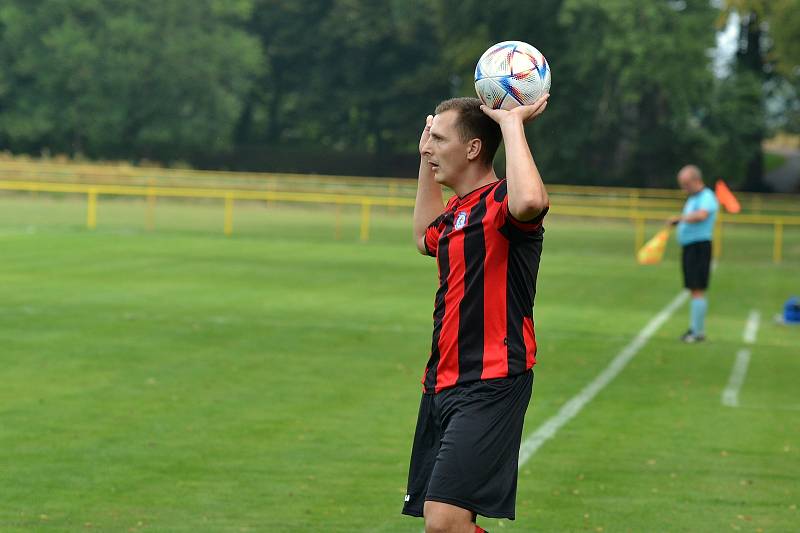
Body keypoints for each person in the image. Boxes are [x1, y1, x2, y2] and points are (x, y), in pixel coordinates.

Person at [401, 94, 550, 533]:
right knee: (442, 521)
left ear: (472, 149)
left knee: (444, 523)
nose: (429, 147)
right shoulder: (456, 214)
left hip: (492, 379)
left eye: (439, 139)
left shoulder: (503, 203)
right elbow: (424, 236)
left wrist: (511, 124)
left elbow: (530, 202)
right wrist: (424, 156)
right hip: (442, 382)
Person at [667, 164, 719, 343]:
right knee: (694, 289)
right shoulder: (693, 198)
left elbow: (702, 215)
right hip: (690, 246)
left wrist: (680, 219)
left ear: (696, 180)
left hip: (699, 247)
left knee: (697, 289)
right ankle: (695, 329)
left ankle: (697, 332)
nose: (684, 188)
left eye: (686, 184)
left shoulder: (707, 196)